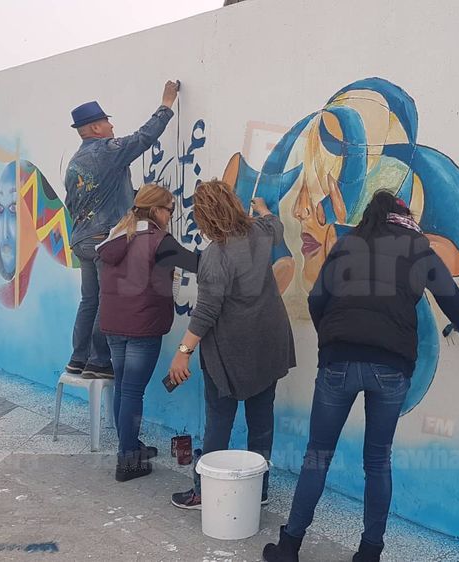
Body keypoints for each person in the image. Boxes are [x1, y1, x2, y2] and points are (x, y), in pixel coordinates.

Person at [262, 191, 459, 562]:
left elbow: (316, 301)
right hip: (390, 367)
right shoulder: (419, 249)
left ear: (369, 217)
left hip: (339, 360)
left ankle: (289, 546)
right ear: (404, 217)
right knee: (378, 461)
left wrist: (332, 338)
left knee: (317, 455)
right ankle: (369, 553)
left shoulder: (347, 245)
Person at [166, 180, 295, 509]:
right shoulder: (260, 232)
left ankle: (205, 492)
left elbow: (206, 311)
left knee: (219, 421)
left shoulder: (215, 254)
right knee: (261, 421)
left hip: (231, 351)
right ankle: (259, 489)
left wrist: (183, 353)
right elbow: (276, 226)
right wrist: (262, 209)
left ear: (204, 216)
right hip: (269, 342)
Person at [63, 80, 180, 379]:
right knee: (107, 298)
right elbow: (143, 138)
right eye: (107, 121)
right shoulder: (106, 150)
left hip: (81, 239)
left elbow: (74, 203)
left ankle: (78, 359)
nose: (112, 127)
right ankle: (99, 361)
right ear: (95, 128)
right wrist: (166, 105)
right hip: (103, 237)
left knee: (89, 300)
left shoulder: (75, 163)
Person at [96, 184, 198, 482]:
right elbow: (196, 263)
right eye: (170, 209)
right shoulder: (158, 240)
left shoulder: (117, 235)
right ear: (155, 210)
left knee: (123, 386)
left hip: (114, 325)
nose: (171, 215)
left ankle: (130, 446)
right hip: (142, 327)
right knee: (131, 391)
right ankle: (128, 461)